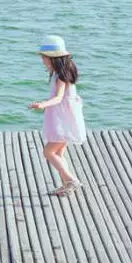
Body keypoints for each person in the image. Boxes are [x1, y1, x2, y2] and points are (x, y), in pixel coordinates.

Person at [28, 35, 86, 196]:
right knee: (59, 154)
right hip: (66, 117)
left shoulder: (61, 75)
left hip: (62, 120)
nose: (42, 61)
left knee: (48, 152)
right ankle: (66, 185)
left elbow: (59, 97)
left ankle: (71, 180)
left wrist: (42, 104)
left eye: (44, 58)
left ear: (53, 58)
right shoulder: (65, 70)